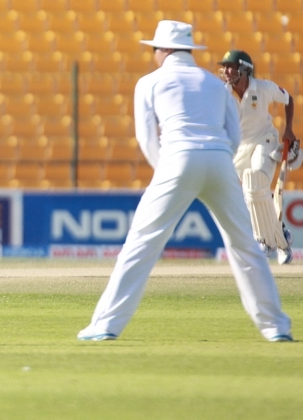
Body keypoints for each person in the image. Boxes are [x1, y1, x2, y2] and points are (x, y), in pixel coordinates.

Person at [78, 21, 292, 342]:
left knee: (141, 244)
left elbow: (146, 137)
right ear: (189, 50)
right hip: (221, 160)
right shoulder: (214, 84)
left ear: (162, 51)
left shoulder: (149, 82)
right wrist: (217, 161)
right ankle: (276, 328)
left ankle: (105, 326)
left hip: (177, 158)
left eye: (155, 50)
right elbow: (233, 136)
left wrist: (167, 169)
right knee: (246, 246)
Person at [218, 49, 301, 265]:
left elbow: (288, 99)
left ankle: (262, 240)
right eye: (224, 66)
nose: (226, 71)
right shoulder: (222, 93)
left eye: (230, 66)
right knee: (251, 193)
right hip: (239, 149)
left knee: (256, 183)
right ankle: (282, 240)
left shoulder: (263, 88)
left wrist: (289, 130)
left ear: (244, 68)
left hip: (265, 139)